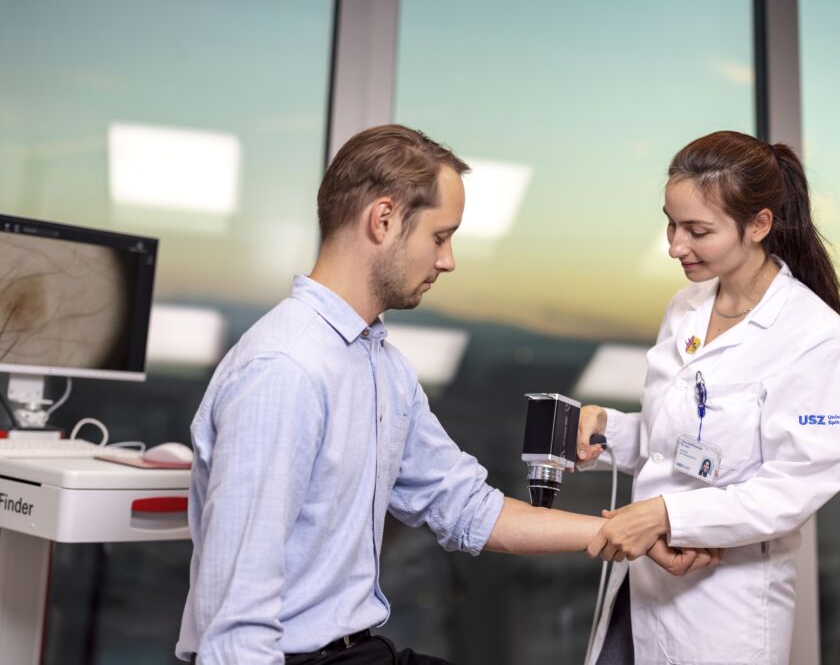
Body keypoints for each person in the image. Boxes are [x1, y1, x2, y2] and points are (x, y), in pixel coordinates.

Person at [175, 125, 712, 664]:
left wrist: (618, 530)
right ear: (383, 220)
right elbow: (236, 627)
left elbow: (465, 506)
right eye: (439, 236)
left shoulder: (380, 366)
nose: (448, 260)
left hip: (355, 653)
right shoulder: (285, 370)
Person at [577, 130, 840, 665]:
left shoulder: (814, 335)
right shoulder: (686, 306)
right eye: (671, 225)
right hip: (641, 584)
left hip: (723, 610)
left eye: (697, 230)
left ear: (758, 225)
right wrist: (606, 428)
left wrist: (665, 514)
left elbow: (789, 489)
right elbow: (669, 442)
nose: (675, 246)